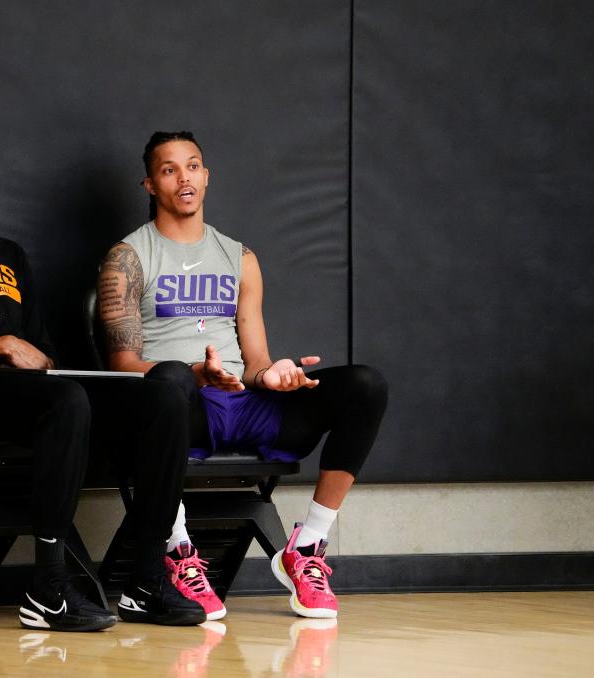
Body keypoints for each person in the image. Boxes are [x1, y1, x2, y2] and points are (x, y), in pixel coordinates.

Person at [0, 122, 205, 630]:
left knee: (163, 396)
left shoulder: (9, 254)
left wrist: (32, 356)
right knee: (65, 401)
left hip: (25, 392)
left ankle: (147, 579)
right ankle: (48, 586)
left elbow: (42, 348)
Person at [97, 131, 388, 620]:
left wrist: (272, 375)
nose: (183, 177)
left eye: (192, 166)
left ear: (206, 176)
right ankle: (179, 553)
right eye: (169, 169)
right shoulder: (127, 258)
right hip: (179, 406)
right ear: (150, 184)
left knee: (366, 385)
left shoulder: (240, 258)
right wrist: (194, 373)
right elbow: (122, 367)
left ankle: (308, 546)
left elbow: (254, 361)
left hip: (241, 403)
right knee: (169, 383)